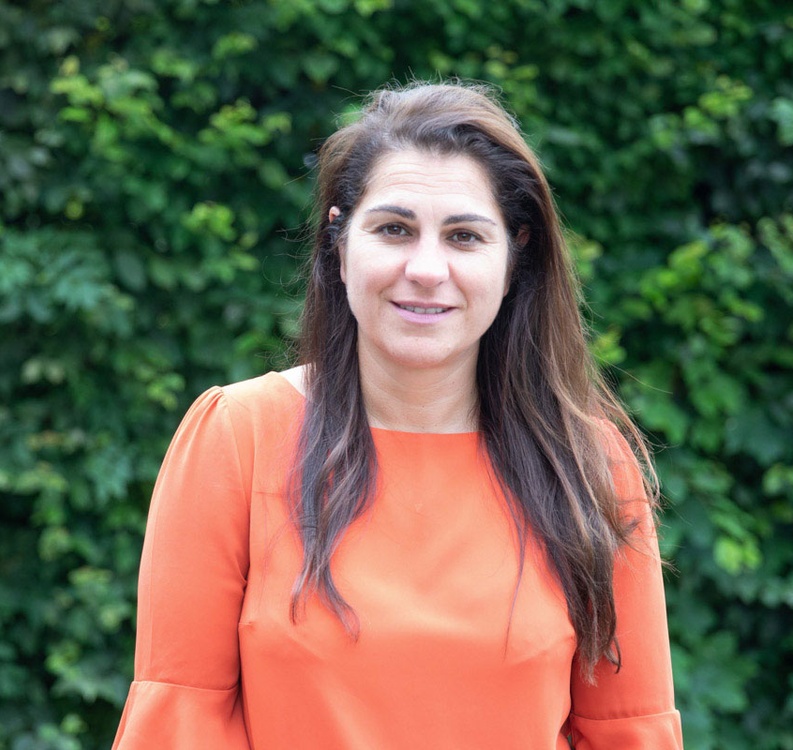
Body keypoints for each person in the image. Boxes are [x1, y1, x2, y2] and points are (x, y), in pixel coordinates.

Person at [112, 80, 683, 749]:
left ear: (513, 258)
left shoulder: (589, 464)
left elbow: (628, 734)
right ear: (339, 243)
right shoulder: (237, 439)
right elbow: (180, 725)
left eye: (465, 236)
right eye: (394, 229)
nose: (426, 268)